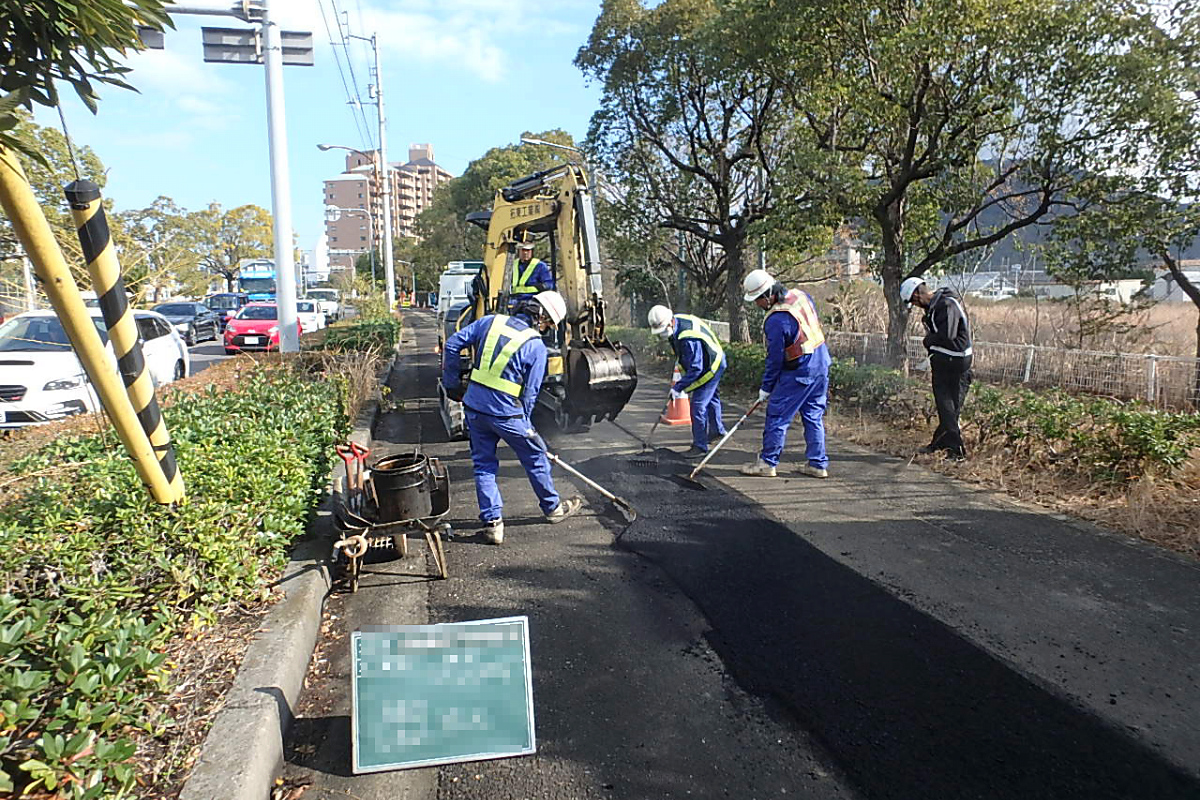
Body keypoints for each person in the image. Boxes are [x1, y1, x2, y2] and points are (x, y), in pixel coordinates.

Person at [441, 291, 583, 544]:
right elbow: (530, 394)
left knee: (483, 465)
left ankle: (493, 525)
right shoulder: (536, 346)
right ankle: (552, 509)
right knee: (536, 456)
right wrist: (527, 428)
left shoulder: (489, 321)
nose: (548, 328)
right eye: (549, 323)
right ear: (540, 316)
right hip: (506, 413)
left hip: (474, 408)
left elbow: (453, 344)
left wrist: (452, 385)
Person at [739, 269, 831, 478]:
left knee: (777, 416)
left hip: (800, 371)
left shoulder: (776, 320)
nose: (757, 305)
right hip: (821, 363)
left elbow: (775, 358)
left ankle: (767, 463)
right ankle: (817, 464)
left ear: (768, 295)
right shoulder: (800, 295)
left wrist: (766, 387)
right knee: (813, 415)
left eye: (757, 300)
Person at [900, 277, 973, 460]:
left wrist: (928, 340)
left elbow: (947, 335)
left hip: (954, 361)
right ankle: (940, 442)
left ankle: (957, 451)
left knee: (947, 406)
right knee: (949, 407)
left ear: (917, 294)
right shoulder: (935, 307)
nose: (915, 305)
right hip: (945, 360)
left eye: (913, 301)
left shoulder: (946, 305)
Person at [647, 305, 728, 458]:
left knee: (698, 406)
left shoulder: (687, 338)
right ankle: (717, 430)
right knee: (712, 398)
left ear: (670, 322)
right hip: (711, 360)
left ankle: (700, 446)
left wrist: (679, 387)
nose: (663, 335)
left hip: (712, 365)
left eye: (663, 330)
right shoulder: (677, 322)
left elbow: (696, 368)